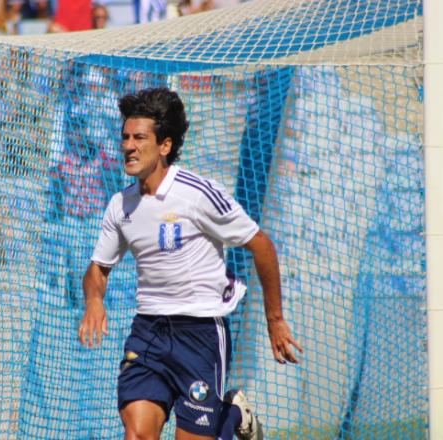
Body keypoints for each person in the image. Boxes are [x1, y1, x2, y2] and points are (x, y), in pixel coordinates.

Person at [78, 87, 302, 439]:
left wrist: (275, 319)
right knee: (137, 435)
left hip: (199, 336)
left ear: (165, 145)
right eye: (125, 137)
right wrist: (94, 300)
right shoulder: (120, 205)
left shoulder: (198, 194)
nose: (128, 146)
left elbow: (261, 246)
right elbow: (98, 269)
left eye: (139, 138)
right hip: (148, 332)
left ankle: (230, 417)